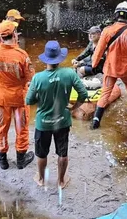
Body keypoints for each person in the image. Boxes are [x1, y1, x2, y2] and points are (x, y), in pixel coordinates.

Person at [26, 41, 88, 189]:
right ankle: (61, 181)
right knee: (62, 152)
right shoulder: (69, 73)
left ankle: (41, 178)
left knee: (41, 153)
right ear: (60, 58)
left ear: (45, 59)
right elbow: (83, 94)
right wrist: (74, 108)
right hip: (62, 121)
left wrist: (38, 93)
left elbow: (29, 100)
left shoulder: (38, 78)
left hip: (43, 123)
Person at [0, 21, 35, 170]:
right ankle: (21, 159)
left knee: (1, 127)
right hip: (20, 98)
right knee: (21, 128)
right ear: (14, 34)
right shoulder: (21, 55)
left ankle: (2, 160)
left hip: (2, 98)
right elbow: (30, 78)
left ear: (0, 37)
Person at [90, 2, 127, 130]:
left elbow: (98, 51)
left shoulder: (107, 31)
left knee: (105, 93)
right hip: (126, 70)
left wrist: (94, 64)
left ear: (116, 15)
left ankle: (96, 120)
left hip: (110, 68)